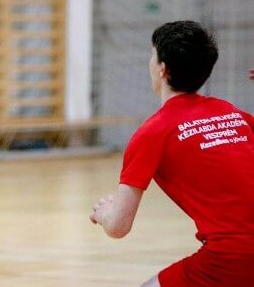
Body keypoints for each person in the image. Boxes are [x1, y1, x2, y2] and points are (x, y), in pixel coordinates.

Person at [90, 20, 254, 287]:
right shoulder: (233, 113)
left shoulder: (153, 132)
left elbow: (118, 226)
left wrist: (104, 213)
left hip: (232, 258)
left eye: (152, 55)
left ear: (162, 68)